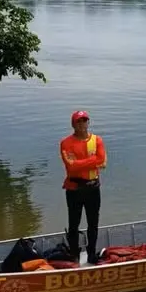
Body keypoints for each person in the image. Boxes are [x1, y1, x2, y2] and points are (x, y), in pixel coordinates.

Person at [60, 110, 107, 264]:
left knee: (93, 223)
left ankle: (92, 254)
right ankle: (74, 254)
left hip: (93, 188)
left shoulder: (97, 140)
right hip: (74, 189)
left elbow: (101, 159)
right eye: (78, 121)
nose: (81, 124)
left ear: (88, 122)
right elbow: (70, 167)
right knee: (74, 223)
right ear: (73, 124)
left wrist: (79, 163)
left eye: (84, 121)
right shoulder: (66, 143)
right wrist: (93, 161)